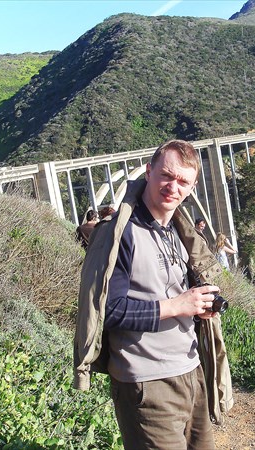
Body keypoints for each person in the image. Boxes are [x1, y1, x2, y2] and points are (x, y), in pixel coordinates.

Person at [74, 139, 233, 450]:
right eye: (166, 176)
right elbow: (109, 311)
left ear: (193, 186)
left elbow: (171, 294)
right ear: (149, 172)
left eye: (183, 181)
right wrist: (177, 305)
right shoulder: (121, 233)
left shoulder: (176, 230)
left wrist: (198, 306)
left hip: (190, 372)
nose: (173, 187)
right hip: (146, 384)